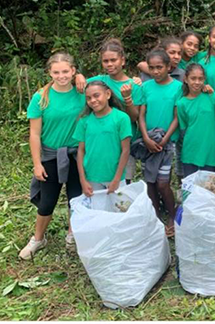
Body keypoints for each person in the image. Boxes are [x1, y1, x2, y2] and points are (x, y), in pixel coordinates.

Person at [20, 52, 86, 259]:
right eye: (56, 72)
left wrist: (82, 77)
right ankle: (38, 238)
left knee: (76, 199)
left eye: (66, 71)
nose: (61, 76)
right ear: (49, 72)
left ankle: (72, 236)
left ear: (73, 71)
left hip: (77, 155)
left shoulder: (83, 91)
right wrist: (37, 163)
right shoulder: (41, 97)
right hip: (51, 155)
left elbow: (108, 83)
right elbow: (34, 134)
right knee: (47, 201)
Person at [135, 50, 181, 236]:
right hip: (148, 142)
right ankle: (156, 216)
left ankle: (172, 214)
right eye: (152, 68)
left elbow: (177, 117)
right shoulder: (146, 87)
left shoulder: (178, 87)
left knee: (163, 183)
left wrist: (165, 138)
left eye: (159, 67)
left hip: (167, 143)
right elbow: (141, 115)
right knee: (150, 182)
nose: (155, 71)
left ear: (169, 67)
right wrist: (146, 138)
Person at [74, 80, 133, 196]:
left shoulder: (121, 118)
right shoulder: (84, 121)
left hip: (115, 177)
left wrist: (116, 179)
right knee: (96, 207)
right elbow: (81, 151)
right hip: (91, 178)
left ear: (108, 94)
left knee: (118, 206)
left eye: (96, 95)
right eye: (88, 98)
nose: (93, 100)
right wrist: (82, 180)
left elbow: (125, 150)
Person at [175, 63, 215, 176]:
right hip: (190, 150)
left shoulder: (212, 97)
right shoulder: (181, 103)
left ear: (204, 79)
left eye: (200, 79)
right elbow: (184, 128)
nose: (197, 82)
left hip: (209, 150)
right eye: (193, 78)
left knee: (208, 184)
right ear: (186, 79)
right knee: (190, 184)